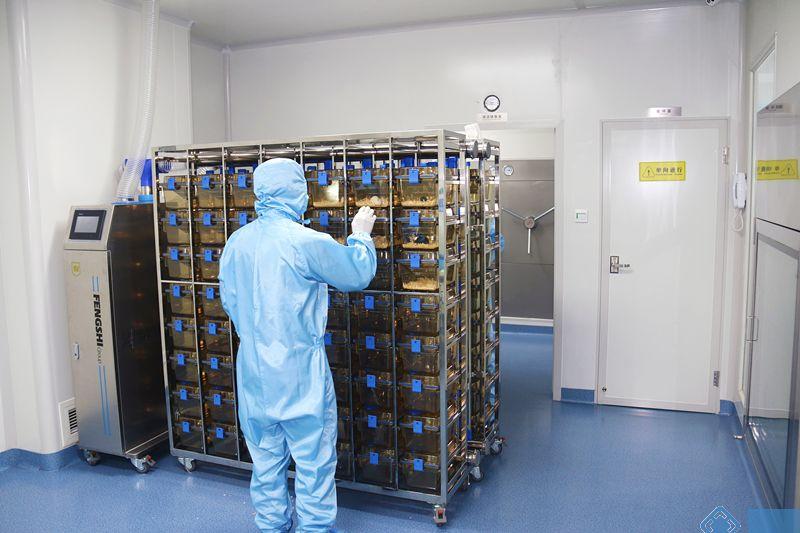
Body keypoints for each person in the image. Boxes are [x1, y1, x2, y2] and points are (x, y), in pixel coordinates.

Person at [218, 158, 377, 532]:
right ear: (295, 192)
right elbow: (356, 273)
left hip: (253, 370)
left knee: (265, 458)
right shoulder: (305, 241)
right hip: (298, 373)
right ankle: (314, 527)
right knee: (313, 458)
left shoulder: (237, 242)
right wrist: (361, 235)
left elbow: (229, 300)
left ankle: (272, 524)